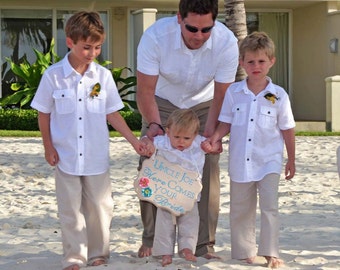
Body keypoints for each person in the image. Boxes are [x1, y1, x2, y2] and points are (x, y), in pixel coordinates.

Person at [31, 11, 147, 270]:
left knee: (100, 207)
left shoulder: (102, 77)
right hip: (65, 156)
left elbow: (112, 112)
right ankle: (74, 256)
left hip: (96, 156)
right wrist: (48, 146)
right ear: (70, 42)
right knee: (71, 210)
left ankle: (99, 253)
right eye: (87, 47)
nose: (93, 53)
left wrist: (132, 140)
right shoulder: (53, 76)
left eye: (97, 47)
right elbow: (43, 113)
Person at [136, 0, 239, 258]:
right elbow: (145, 90)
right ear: (179, 19)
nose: (199, 36)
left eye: (207, 30)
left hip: (204, 105)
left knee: (208, 164)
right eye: (193, 29)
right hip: (162, 102)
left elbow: (221, 97)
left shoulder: (226, 42)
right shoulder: (156, 37)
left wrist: (213, 136)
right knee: (152, 162)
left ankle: (203, 245)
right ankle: (151, 239)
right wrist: (154, 126)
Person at [202, 31, 296, 268]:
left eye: (261, 61)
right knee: (240, 209)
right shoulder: (234, 92)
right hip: (240, 162)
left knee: (269, 207)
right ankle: (244, 252)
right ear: (241, 62)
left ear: (271, 61)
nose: (256, 66)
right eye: (250, 61)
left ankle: (271, 252)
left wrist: (291, 160)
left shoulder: (279, 95)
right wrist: (214, 138)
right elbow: (226, 123)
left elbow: (287, 129)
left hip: (269, 162)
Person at [141, 109, 206, 266]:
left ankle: (187, 248)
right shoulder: (162, 142)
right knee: (164, 223)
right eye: (176, 137)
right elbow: (145, 140)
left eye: (186, 138)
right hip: (167, 193)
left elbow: (214, 143)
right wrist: (147, 142)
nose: (181, 142)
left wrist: (214, 145)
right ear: (168, 132)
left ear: (195, 135)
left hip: (189, 194)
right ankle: (165, 253)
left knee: (190, 221)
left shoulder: (199, 143)